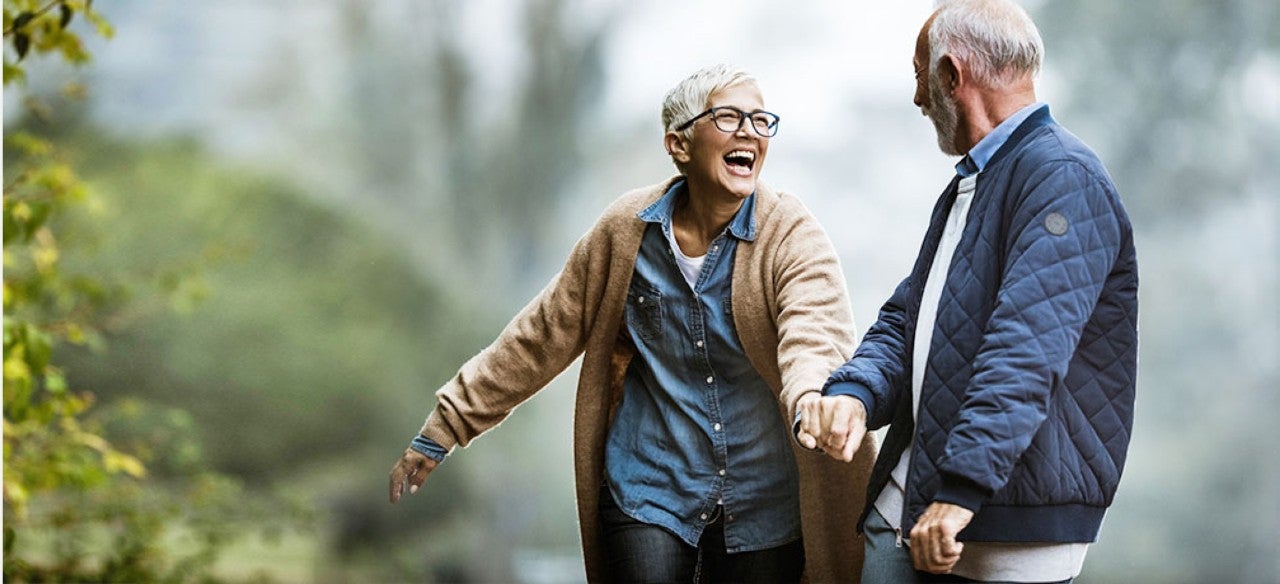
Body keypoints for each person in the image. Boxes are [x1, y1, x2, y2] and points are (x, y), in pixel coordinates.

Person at [389, 64, 875, 583]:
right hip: (649, 484)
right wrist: (446, 424)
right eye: (729, 117)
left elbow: (814, 332)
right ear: (679, 144)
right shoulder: (626, 232)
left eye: (760, 120)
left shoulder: (791, 234)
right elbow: (543, 334)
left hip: (762, 498)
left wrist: (810, 399)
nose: (749, 132)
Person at [796, 1, 1139, 582]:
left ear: (953, 75)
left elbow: (1024, 352)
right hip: (911, 502)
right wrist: (855, 392)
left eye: (919, 77)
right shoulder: (976, 182)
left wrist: (960, 493)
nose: (917, 100)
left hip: (1001, 526)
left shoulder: (1063, 179)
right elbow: (913, 318)